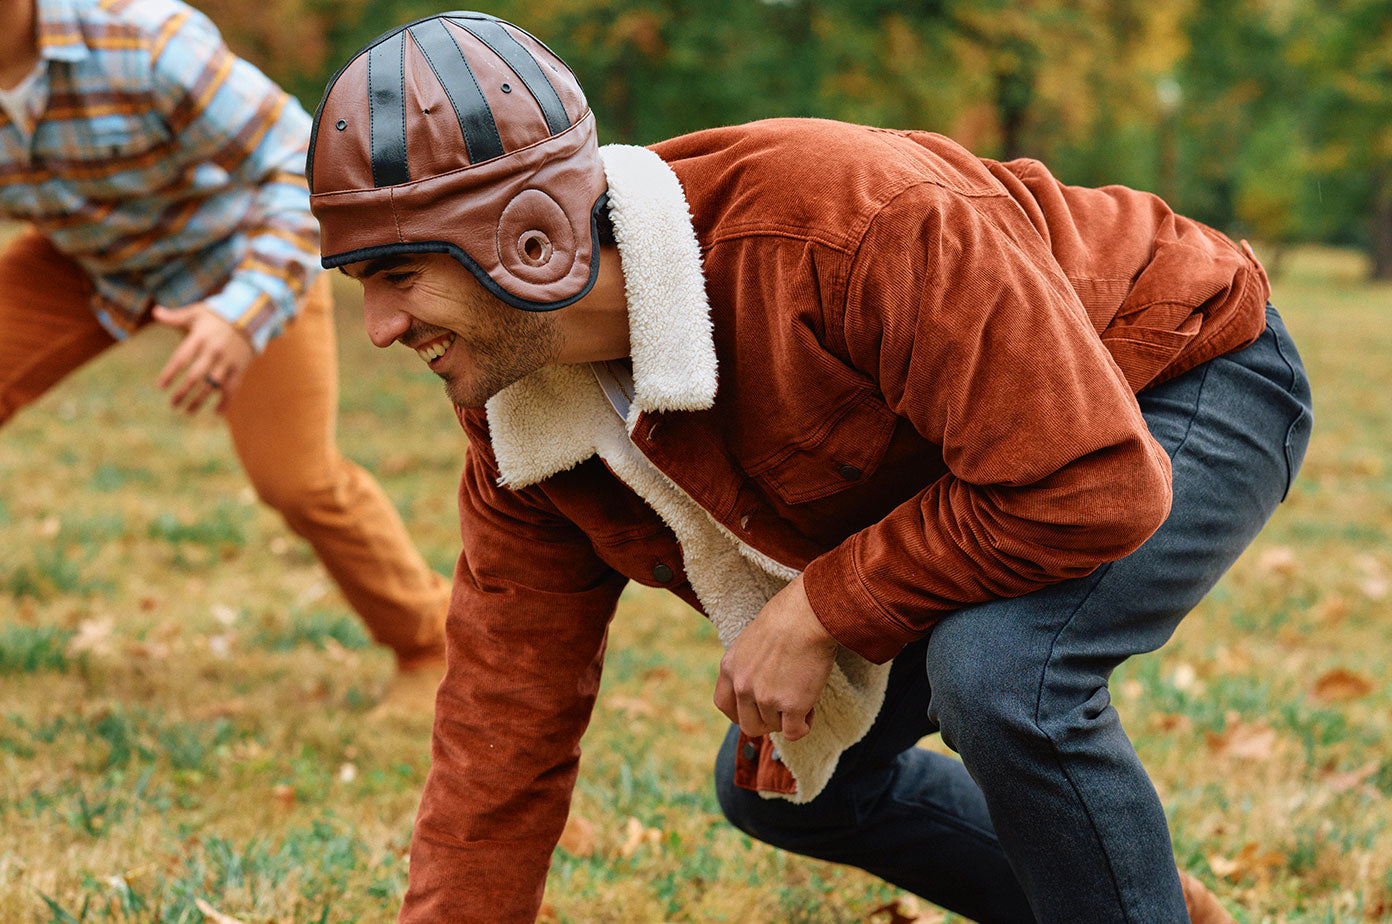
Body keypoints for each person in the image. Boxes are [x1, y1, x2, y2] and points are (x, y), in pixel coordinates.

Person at [308, 12, 1313, 923]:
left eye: (399, 275)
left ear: (521, 236)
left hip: (1173, 370)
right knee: (791, 790)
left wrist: (819, 610)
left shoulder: (844, 221)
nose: (382, 328)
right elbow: (502, 723)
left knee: (1002, 675)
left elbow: (1089, 484)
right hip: (989, 473)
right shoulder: (520, 427)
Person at [0, 0, 451, 711]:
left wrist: (243, 315)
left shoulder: (145, 42)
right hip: (86, 261)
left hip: (239, 255)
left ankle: (431, 642)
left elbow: (304, 165)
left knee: (296, 480)